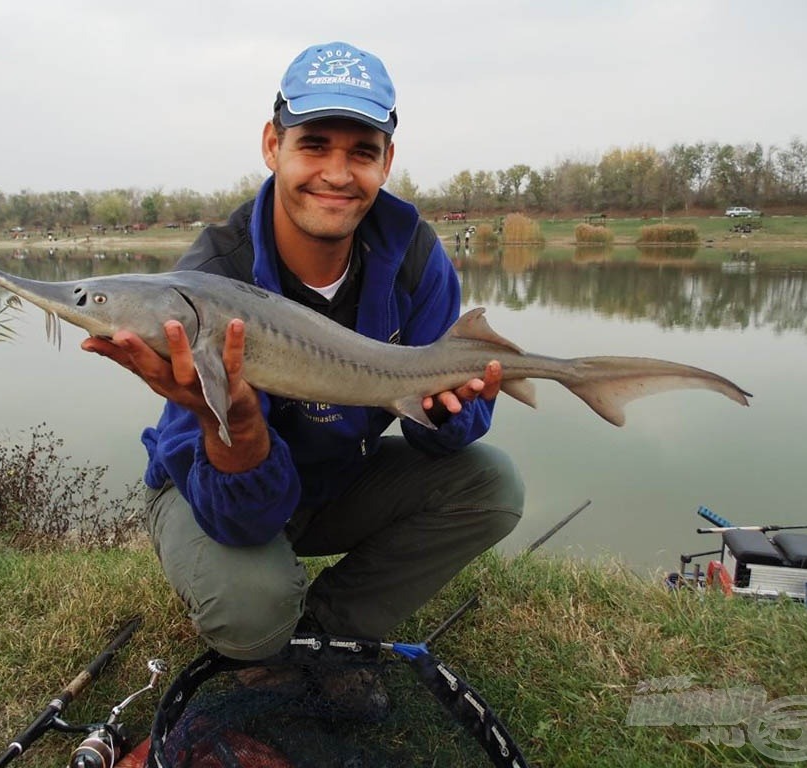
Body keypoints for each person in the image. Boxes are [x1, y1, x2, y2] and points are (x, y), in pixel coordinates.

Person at [83, 42, 524, 664]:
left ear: (386, 162)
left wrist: (455, 409)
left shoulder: (415, 258)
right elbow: (245, 521)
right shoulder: (207, 282)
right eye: (314, 144)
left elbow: (442, 438)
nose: (338, 174)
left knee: (492, 482)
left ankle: (330, 632)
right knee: (252, 611)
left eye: (362, 153)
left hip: (342, 474)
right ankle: (271, 641)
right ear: (273, 145)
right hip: (211, 484)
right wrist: (227, 417)